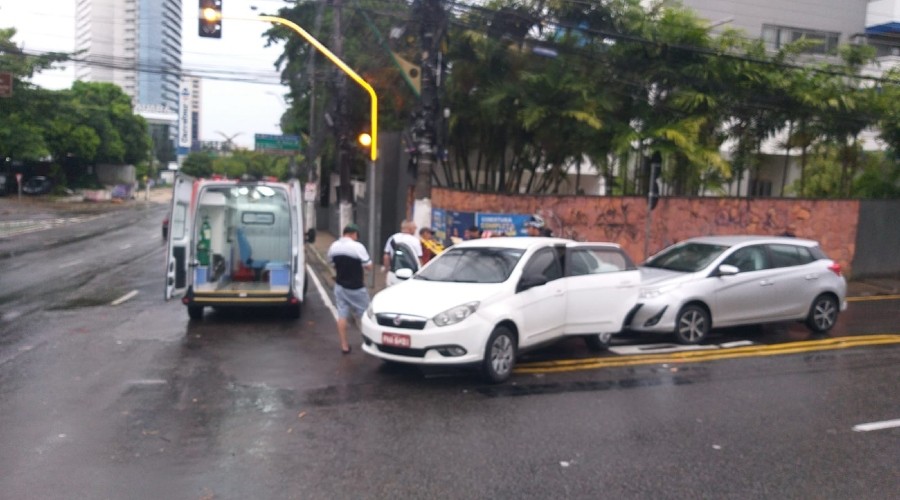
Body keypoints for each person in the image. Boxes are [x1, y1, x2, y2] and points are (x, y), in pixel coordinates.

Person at [326, 223, 373, 354]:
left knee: (342, 315)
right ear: (353, 234)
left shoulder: (334, 246)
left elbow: (330, 262)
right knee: (365, 316)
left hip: (340, 286)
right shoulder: (358, 247)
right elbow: (368, 265)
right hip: (356, 287)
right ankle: (368, 342)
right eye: (356, 235)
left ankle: (344, 346)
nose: (357, 238)